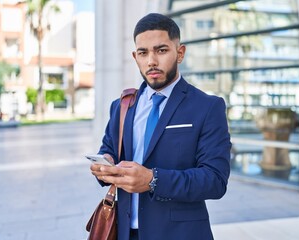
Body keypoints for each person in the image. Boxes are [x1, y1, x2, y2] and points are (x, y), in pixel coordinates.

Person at [90, 13, 231, 240]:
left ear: (180, 53)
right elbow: (108, 149)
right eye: (143, 53)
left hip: (180, 234)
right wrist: (104, 167)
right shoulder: (122, 106)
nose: (151, 61)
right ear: (135, 57)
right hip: (124, 232)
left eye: (161, 50)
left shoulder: (208, 107)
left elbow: (215, 180)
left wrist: (153, 180)